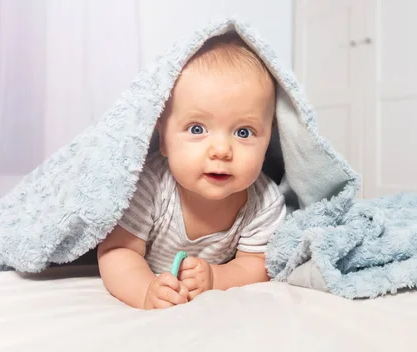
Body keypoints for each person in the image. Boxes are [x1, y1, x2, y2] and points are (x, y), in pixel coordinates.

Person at [97, 32, 286, 309]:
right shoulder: (149, 185)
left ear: (269, 139)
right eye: (197, 129)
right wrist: (145, 291)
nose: (221, 150)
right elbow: (118, 251)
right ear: (163, 139)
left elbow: (257, 264)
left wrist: (216, 277)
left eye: (243, 132)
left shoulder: (264, 201)